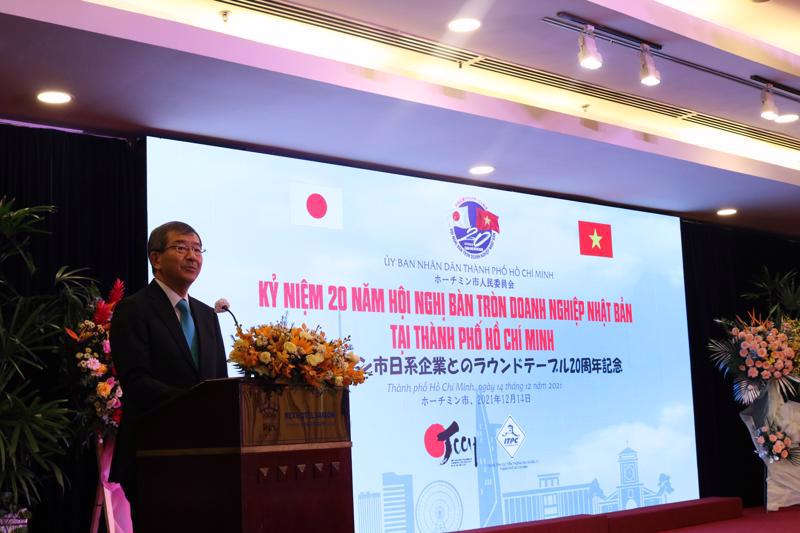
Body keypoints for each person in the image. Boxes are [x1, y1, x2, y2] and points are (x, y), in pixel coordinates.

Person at [109, 221, 228, 520]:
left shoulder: (206, 315)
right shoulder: (133, 309)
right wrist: (196, 404)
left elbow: (220, 381)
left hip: (207, 457)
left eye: (198, 249)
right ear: (156, 258)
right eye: (181, 247)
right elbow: (136, 380)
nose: (192, 256)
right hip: (155, 455)